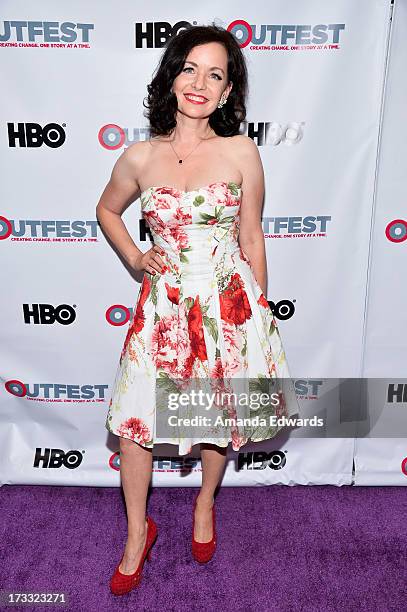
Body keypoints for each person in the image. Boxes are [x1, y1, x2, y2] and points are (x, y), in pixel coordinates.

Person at [96, 24, 300, 596]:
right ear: (172, 76)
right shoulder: (140, 155)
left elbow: (253, 237)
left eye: (216, 74)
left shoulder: (240, 151)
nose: (200, 83)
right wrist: (138, 258)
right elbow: (107, 210)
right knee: (135, 425)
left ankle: (205, 502)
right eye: (190, 68)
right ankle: (138, 533)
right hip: (164, 306)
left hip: (227, 303)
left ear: (228, 92)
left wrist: (258, 313)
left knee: (215, 415)